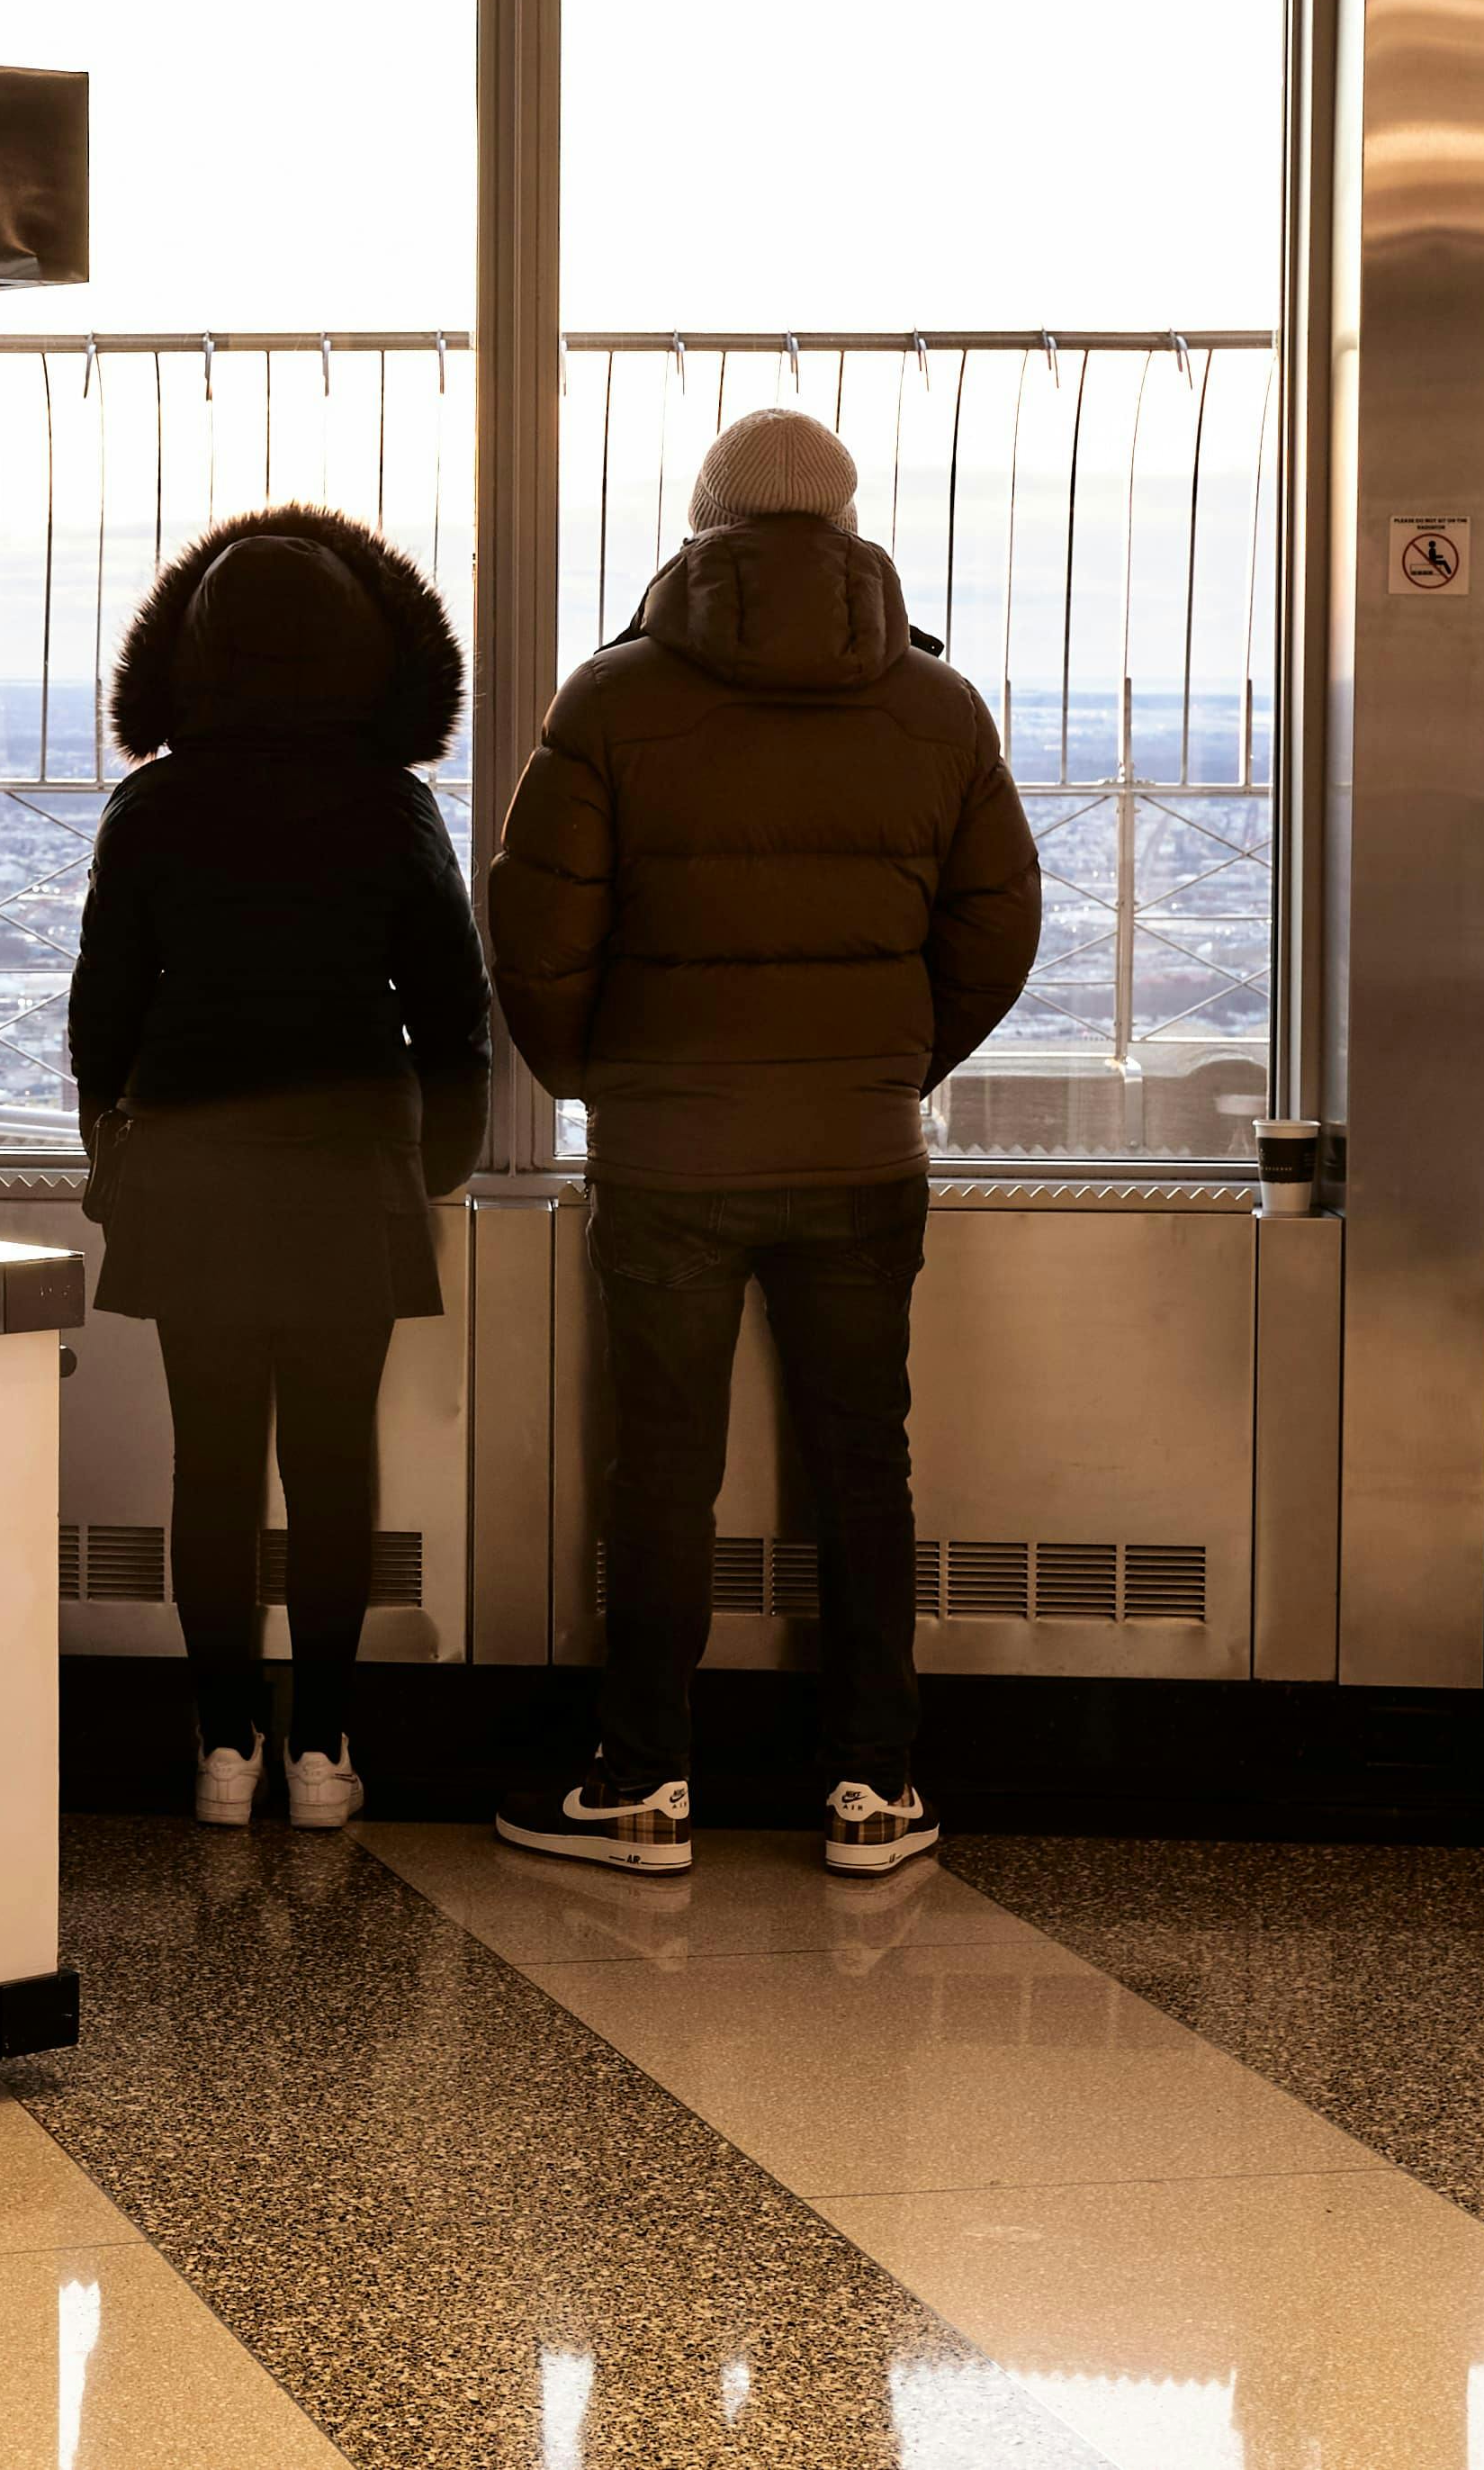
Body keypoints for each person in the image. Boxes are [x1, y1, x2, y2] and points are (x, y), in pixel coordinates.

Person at [480, 408, 1039, 1879]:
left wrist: (608, 1080)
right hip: (861, 1156)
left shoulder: (610, 703)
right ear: (849, 528)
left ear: (702, 524)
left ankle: (644, 1783)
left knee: (660, 1467)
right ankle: (874, 1789)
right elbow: (997, 930)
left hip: (667, 1159)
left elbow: (534, 942)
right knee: (866, 1462)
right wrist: (892, 1068)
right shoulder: (942, 710)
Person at [68, 508, 488, 1831]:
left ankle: (222, 1747)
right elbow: (453, 1016)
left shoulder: (153, 803)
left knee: (211, 1467)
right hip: (349, 1166)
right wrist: (436, 1169)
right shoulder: (393, 805)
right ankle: (324, 1750)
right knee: (330, 1464)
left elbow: (103, 1015)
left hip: (191, 1163)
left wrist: (108, 1150)